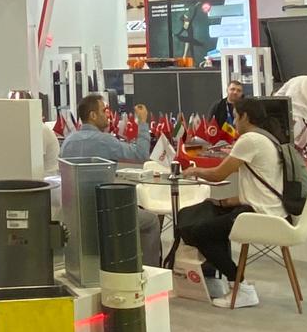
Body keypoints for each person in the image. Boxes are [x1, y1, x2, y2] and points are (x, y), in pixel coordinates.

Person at [178, 95, 285, 309]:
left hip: (257, 213)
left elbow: (218, 174)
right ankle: (217, 277)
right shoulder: (267, 138)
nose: (234, 122)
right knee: (206, 212)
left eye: (235, 117)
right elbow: (259, 189)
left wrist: (194, 171)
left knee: (198, 232)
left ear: (245, 117)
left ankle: (240, 285)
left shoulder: (250, 140)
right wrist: (224, 202)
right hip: (265, 207)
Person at [58, 93, 162, 266]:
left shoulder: (68, 142)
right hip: (105, 213)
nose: (108, 115)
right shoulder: (105, 141)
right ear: (93, 115)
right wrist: (143, 122)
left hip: (75, 214)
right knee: (151, 221)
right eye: (104, 110)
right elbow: (141, 153)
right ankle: (150, 272)